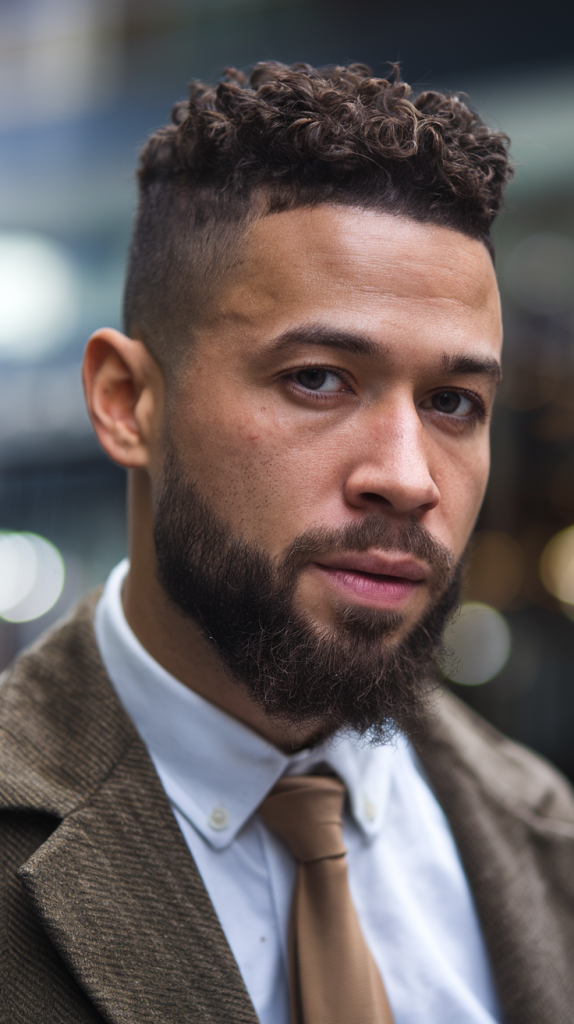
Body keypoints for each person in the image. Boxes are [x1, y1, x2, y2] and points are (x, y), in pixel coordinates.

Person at [1, 62, 573, 1024]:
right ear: (126, 402)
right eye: (318, 379)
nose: (408, 475)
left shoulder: (545, 835)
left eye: (452, 402)